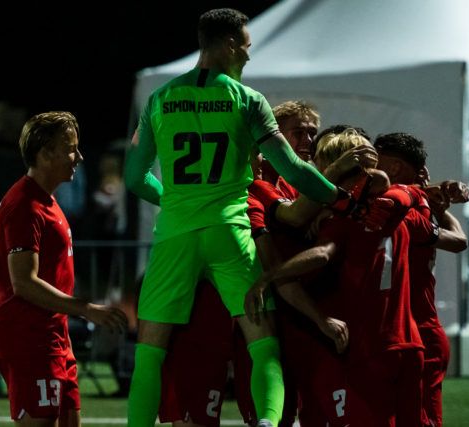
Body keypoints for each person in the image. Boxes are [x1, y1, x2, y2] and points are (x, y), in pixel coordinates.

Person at [124, 8, 355, 425]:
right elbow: (292, 169)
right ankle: (267, 421)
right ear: (230, 44)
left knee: (149, 354)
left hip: (174, 235)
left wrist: (177, 202)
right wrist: (341, 199)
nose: (249, 54)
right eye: (247, 46)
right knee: (264, 346)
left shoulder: (160, 98)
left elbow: (134, 177)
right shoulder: (247, 100)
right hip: (230, 234)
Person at [251, 128, 437, 426]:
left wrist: (269, 277)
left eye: (320, 163)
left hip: (366, 345)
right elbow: (442, 231)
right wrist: (423, 195)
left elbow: (322, 253)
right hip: (410, 342)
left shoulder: (342, 218)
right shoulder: (398, 209)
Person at [0, 111, 128, 427]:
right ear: (45, 153)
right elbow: (24, 282)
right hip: (28, 338)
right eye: (71, 149)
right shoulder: (24, 205)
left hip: (53, 336)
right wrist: (86, 309)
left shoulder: (46, 201)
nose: (79, 157)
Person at [373, 132, 469, 427]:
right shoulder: (417, 202)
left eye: (376, 161)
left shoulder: (403, 207)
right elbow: (459, 240)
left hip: (417, 331)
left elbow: (458, 242)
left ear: (395, 167)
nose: (369, 168)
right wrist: (435, 198)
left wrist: (431, 199)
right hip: (400, 332)